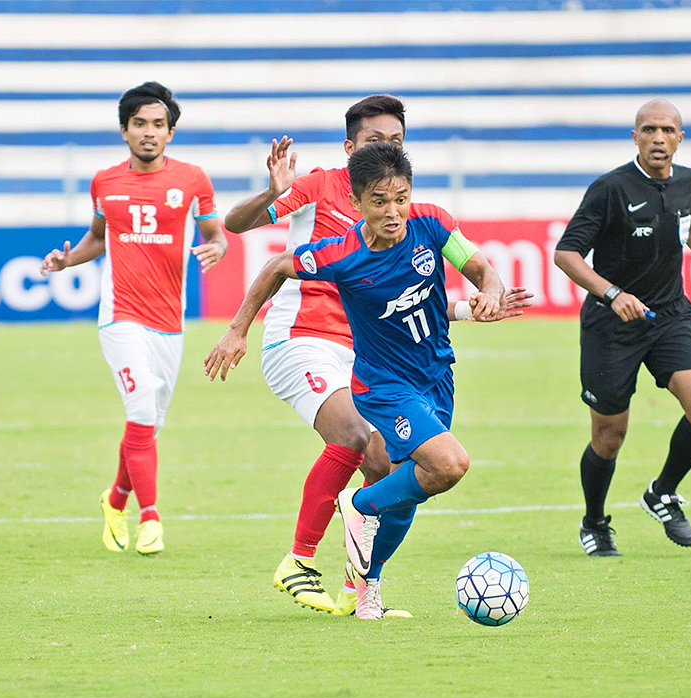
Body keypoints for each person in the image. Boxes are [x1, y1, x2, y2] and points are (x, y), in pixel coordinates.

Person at [223, 95, 531, 614]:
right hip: (307, 339)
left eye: (396, 143)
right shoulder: (326, 203)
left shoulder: (425, 220)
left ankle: (363, 590)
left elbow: (441, 285)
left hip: (391, 356)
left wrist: (484, 298)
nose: (387, 150)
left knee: (395, 472)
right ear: (351, 150)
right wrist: (238, 328)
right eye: (375, 142)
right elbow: (246, 234)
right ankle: (303, 555)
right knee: (370, 442)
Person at [553, 99, 691, 557]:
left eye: (667, 130)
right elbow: (566, 254)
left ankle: (662, 491)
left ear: (681, 138)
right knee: (609, 437)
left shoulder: (687, 181)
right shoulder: (609, 188)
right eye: (649, 130)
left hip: (668, 317)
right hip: (611, 326)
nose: (658, 138)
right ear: (635, 137)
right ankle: (595, 522)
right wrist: (612, 294)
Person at [40, 82, 227, 556]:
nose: (149, 132)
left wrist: (218, 247)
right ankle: (151, 518)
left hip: (169, 323)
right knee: (141, 408)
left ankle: (115, 498)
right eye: (139, 123)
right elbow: (98, 239)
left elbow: (214, 233)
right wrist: (67, 262)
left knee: (148, 423)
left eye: (158, 125)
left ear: (170, 133)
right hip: (120, 317)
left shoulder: (193, 180)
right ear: (124, 130)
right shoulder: (105, 181)